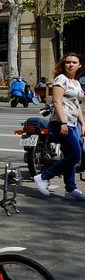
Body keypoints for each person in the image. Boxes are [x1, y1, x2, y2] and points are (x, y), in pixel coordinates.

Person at [32, 52, 85, 201]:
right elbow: (56, 102)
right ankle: (43, 176)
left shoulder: (76, 83)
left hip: (73, 123)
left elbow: (76, 105)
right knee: (75, 155)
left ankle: (70, 189)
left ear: (79, 65)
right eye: (68, 62)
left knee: (70, 156)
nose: (71, 65)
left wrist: (83, 123)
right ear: (64, 64)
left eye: (74, 62)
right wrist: (63, 122)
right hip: (61, 122)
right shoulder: (61, 79)